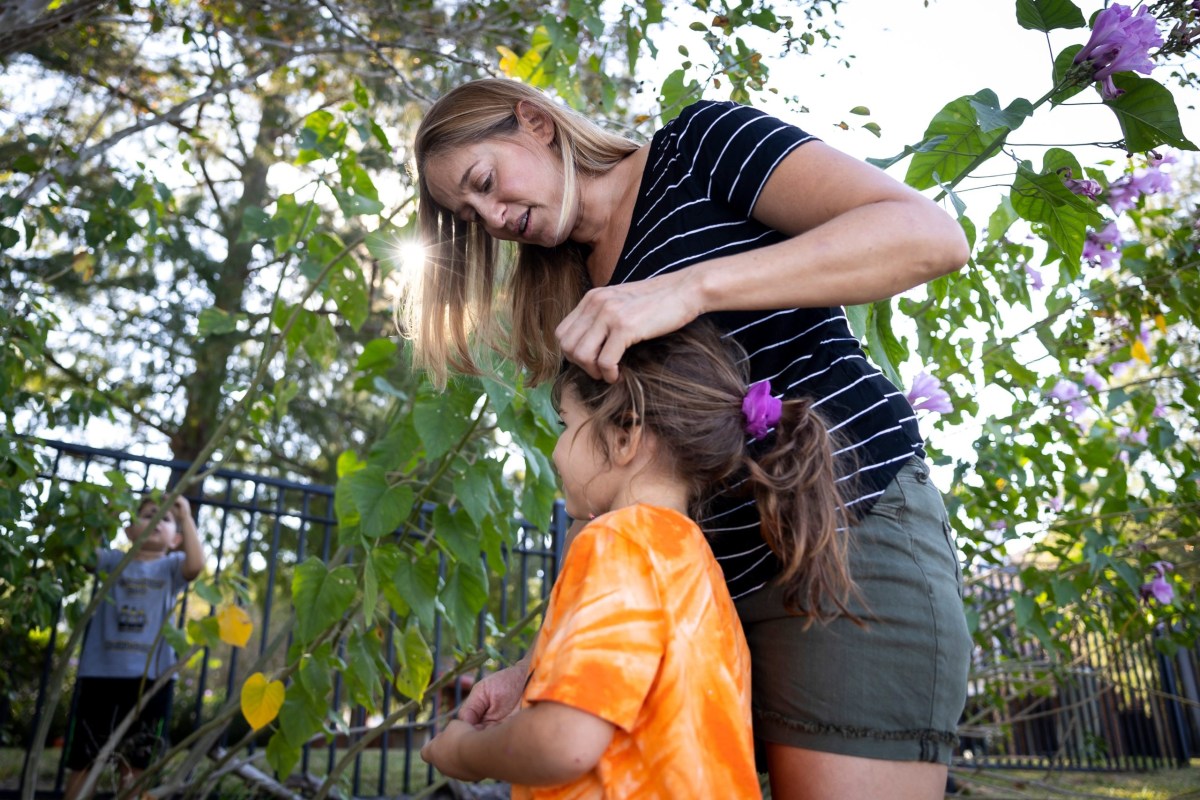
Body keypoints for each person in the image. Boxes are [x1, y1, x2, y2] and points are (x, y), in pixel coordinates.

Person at [407, 78, 972, 800]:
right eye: (469, 214)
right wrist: (543, 661)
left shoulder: (698, 149)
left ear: (536, 122)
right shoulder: (564, 293)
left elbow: (929, 237)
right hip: (699, 602)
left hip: (844, 543)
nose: (490, 216)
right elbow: (613, 499)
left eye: (485, 182)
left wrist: (690, 288)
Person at [423, 321, 852, 797]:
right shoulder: (697, 568)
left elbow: (564, 744)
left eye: (566, 425)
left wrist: (462, 753)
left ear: (625, 436)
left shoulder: (619, 541)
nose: (556, 449)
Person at [63, 493, 205, 800]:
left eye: (164, 518)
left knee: (138, 764)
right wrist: (107, 513)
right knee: (86, 757)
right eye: (147, 515)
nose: (155, 520)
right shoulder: (113, 561)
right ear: (129, 531)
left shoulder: (171, 566)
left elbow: (196, 566)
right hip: (101, 676)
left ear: (176, 538)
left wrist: (186, 515)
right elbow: (84, 553)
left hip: (152, 682)